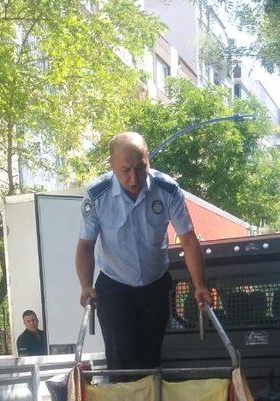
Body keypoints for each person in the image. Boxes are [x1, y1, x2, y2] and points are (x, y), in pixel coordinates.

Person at [75, 131, 210, 370]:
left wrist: (199, 285)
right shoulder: (98, 195)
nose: (134, 178)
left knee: (150, 361)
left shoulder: (167, 190)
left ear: (148, 161)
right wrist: (86, 285)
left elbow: (188, 240)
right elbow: (86, 245)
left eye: (140, 168)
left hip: (155, 285)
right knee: (121, 362)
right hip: (115, 286)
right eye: (125, 170)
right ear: (111, 165)